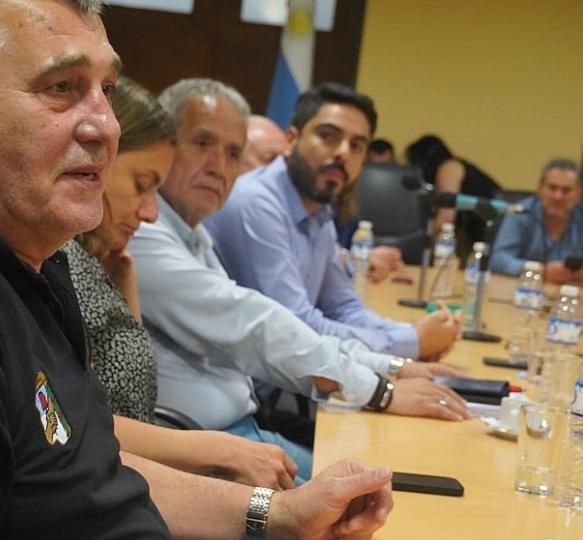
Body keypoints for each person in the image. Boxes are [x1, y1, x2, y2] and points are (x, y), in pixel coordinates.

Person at [0, 1, 395, 538]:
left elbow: (89, 472)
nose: (107, 126)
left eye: (106, 90)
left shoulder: (26, 260)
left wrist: (278, 515)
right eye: (61, 87)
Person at [129, 78, 469, 465]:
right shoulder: (154, 226)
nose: (218, 167)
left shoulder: (200, 230)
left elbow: (341, 307)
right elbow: (260, 325)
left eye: (233, 152)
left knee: (415, 462)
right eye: (202, 143)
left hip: (248, 419)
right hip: (214, 441)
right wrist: (385, 383)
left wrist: (393, 364)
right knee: (392, 479)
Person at [63, 77, 298, 490]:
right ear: (95, 165)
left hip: (151, 473)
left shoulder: (105, 262)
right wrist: (219, 451)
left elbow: (129, 382)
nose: (150, 213)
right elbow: (78, 425)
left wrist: (124, 283)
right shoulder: (58, 263)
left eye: (233, 153)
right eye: (142, 186)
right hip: (142, 477)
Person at [205, 83, 458, 360]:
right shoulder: (256, 203)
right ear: (290, 141)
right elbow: (295, 327)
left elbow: (343, 307)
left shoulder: (319, 210)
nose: (343, 153)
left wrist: (414, 333)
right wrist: (411, 343)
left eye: (357, 146)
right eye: (328, 136)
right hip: (246, 380)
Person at [488, 158, 583, 289]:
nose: (558, 197)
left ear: (579, 193)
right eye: (552, 188)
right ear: (539, 188)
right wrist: (541, 271)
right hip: (524, 292)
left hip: (573, 297)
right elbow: (498, 260)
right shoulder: (520, 213)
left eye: (566, 190)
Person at [404, 134, 500, 257]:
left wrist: (428, 251)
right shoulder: (457, 165)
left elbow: (446, 215)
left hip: (493, 229)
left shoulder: (449, 168)